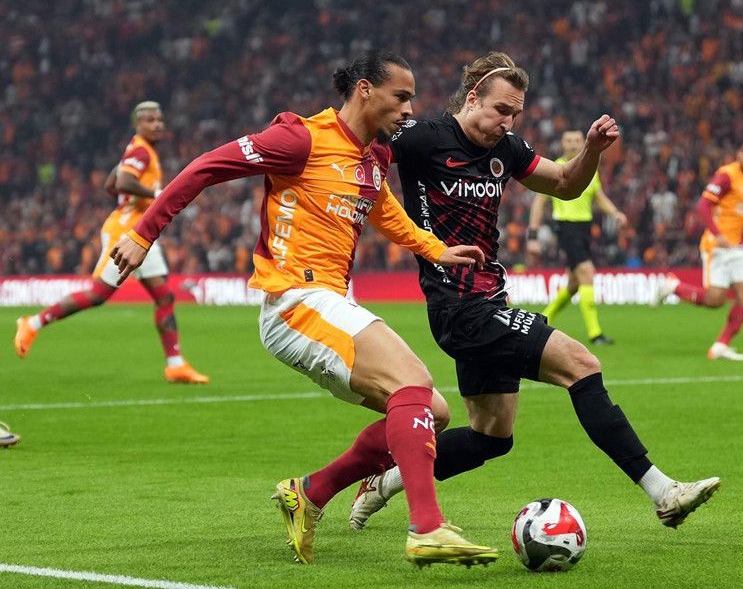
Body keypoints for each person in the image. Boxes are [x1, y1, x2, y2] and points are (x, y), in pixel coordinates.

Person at [109, 50, 496, 567]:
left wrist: (436, 249)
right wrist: (142, 233)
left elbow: (387, 214)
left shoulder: (374, 157)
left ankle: (310, 493)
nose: (409, 109)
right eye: (401, 96)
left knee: (433, 411)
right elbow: (205, 167)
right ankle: (427, 528)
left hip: (331, 300)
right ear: (365, 89)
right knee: (413, 382)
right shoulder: (300, 139)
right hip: (294, 299)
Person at [349, 52, 719, 533]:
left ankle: (383, 482)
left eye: (516, 114)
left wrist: (592, 150)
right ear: (473, 97)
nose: (508, 122)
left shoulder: (507, 149)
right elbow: (356, 141)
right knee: (581, 364)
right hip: (458, 307)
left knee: (491, 437)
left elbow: (565, 183)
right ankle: (663, 491)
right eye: (501, 110)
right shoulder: (423, 138)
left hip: (488, 303)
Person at [13, 101, 209, 384]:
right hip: (125, 234)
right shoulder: (141, 151)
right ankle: (32, 323)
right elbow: (123, 182)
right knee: (98, 295)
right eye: (150, 120)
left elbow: (111, 184)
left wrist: (135, 198)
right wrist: (156, 195)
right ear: (138, 124)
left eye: (159, 119)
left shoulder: (137, 149)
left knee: (164, 296)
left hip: (142, 231)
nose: (157, 124)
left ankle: (176, 365)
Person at [655, 142, 743, 360]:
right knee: (715, 300)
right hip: (717, 245)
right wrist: (718, 234)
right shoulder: (726, 175)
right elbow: (703, 205)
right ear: (738, 154)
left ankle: (721, 346)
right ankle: (673, 286)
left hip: (739, 247)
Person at [526, 129, 628, 345]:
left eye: (576, 140)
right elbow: (539, 203)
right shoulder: (553, 168)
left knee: (574, 283)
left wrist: (615, 213)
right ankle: (595, 333)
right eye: (568, 140)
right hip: (566, 227)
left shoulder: (589, 166)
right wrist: (532, 236)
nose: (573, 144)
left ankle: (541, 319)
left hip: (584, 228)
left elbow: (598, 196)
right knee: (586, 272)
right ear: (562, 144)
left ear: (584, 142)